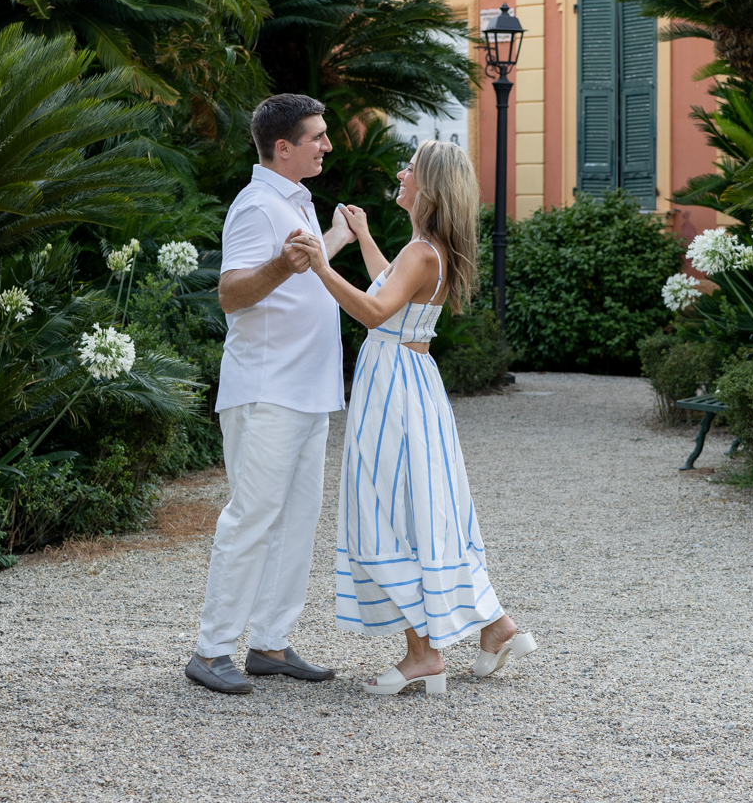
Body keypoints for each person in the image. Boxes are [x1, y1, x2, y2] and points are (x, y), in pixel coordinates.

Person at [293, 138, 536, 695]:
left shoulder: (423, 252)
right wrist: (366, 240)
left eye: (410, 169)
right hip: (411, 385)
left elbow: (375, 310)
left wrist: (319, 266)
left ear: (427, 186)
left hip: (394, 392)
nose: (400, 173)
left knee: (388, 512)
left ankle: (422, 656)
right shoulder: (424, 250)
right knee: (428, 509)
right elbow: (391, 292)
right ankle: (496, 628)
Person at [185, 94, 355, 695]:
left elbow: (301, 266)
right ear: (283, 148)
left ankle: (271, 644)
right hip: (266, 392)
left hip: (310, 392)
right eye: (317, 137)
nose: (327, 145)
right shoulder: (256, 206)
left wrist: (333, 238)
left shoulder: (298, 201)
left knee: (297, 521)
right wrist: (286, 265)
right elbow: (231, 293)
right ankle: (211, 651)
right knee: (252, 518)